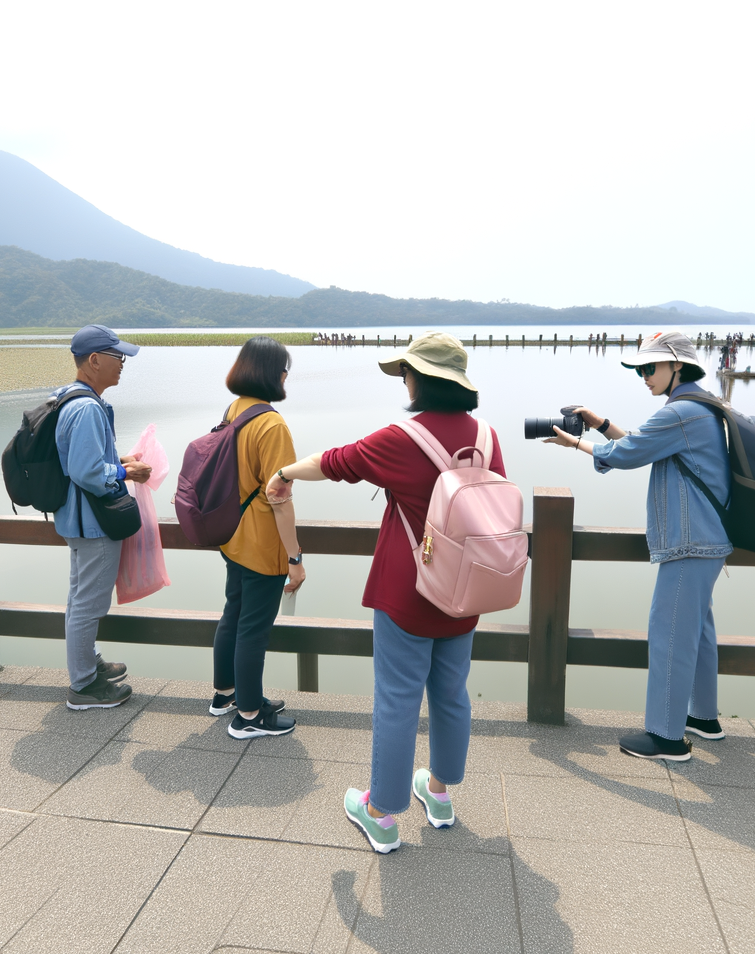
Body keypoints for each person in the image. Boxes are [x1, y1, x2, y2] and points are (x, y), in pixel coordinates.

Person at [267, 332, 503, 853]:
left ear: (419, 379)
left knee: (397, 701)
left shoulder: (403, 438)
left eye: (406, 373)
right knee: (451, 692)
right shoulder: (486, 437)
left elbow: (334, 461)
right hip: (466, 591)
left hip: (409, 593)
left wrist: (283, 474)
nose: (404, 381)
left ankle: (380, 813)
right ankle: (438, 795)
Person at [541, 329, 730, 760]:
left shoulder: (681, 412)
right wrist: (600, 424)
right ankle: (703, 718)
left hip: (689, 542)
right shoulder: (700, 407)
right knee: (698, 632)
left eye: (650, 367)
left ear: (677, 366)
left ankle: (666, 737)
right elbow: (645, 445)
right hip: (708, 539)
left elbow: (628, 453)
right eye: (639, 370)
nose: (644, 376)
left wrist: (576, 443)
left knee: (669, 634)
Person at [55, 325, 153, 710]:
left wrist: (119, 460)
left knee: (80, 598)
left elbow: (81, 460)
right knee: (89, 603)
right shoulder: (86, 408)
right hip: (93, 522)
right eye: (118, 357)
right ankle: (83, 687)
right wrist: (126, 472)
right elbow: (87, 472)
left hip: (76, 518)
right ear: (94, 360)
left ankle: (87, 664)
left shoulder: (68, 397)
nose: (123, 363)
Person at [210, 337, 301, 738]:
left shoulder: (234, 411)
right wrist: (294, 558)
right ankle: (248, 716)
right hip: (262, 544)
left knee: (233, 614)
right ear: (276, 374)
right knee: (253, 629)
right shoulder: (272, 424)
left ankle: (226, 695)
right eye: (285, 370)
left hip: (232, 537)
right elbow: (280, 499)